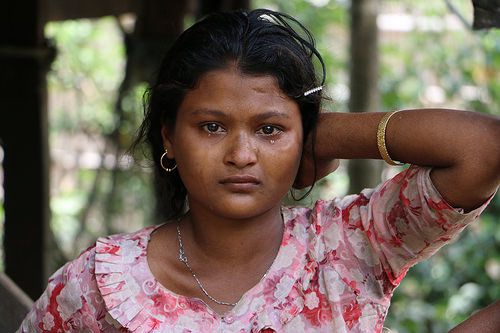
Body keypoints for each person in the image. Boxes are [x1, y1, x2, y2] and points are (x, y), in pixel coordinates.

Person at [18, 8, 499, 333]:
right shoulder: (98, 285)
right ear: (169, 136)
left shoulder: (349, 245)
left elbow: (484, 148)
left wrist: (319, 137)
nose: (241, 154)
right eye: (211, 126)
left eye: (268, 130)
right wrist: (283, 131)